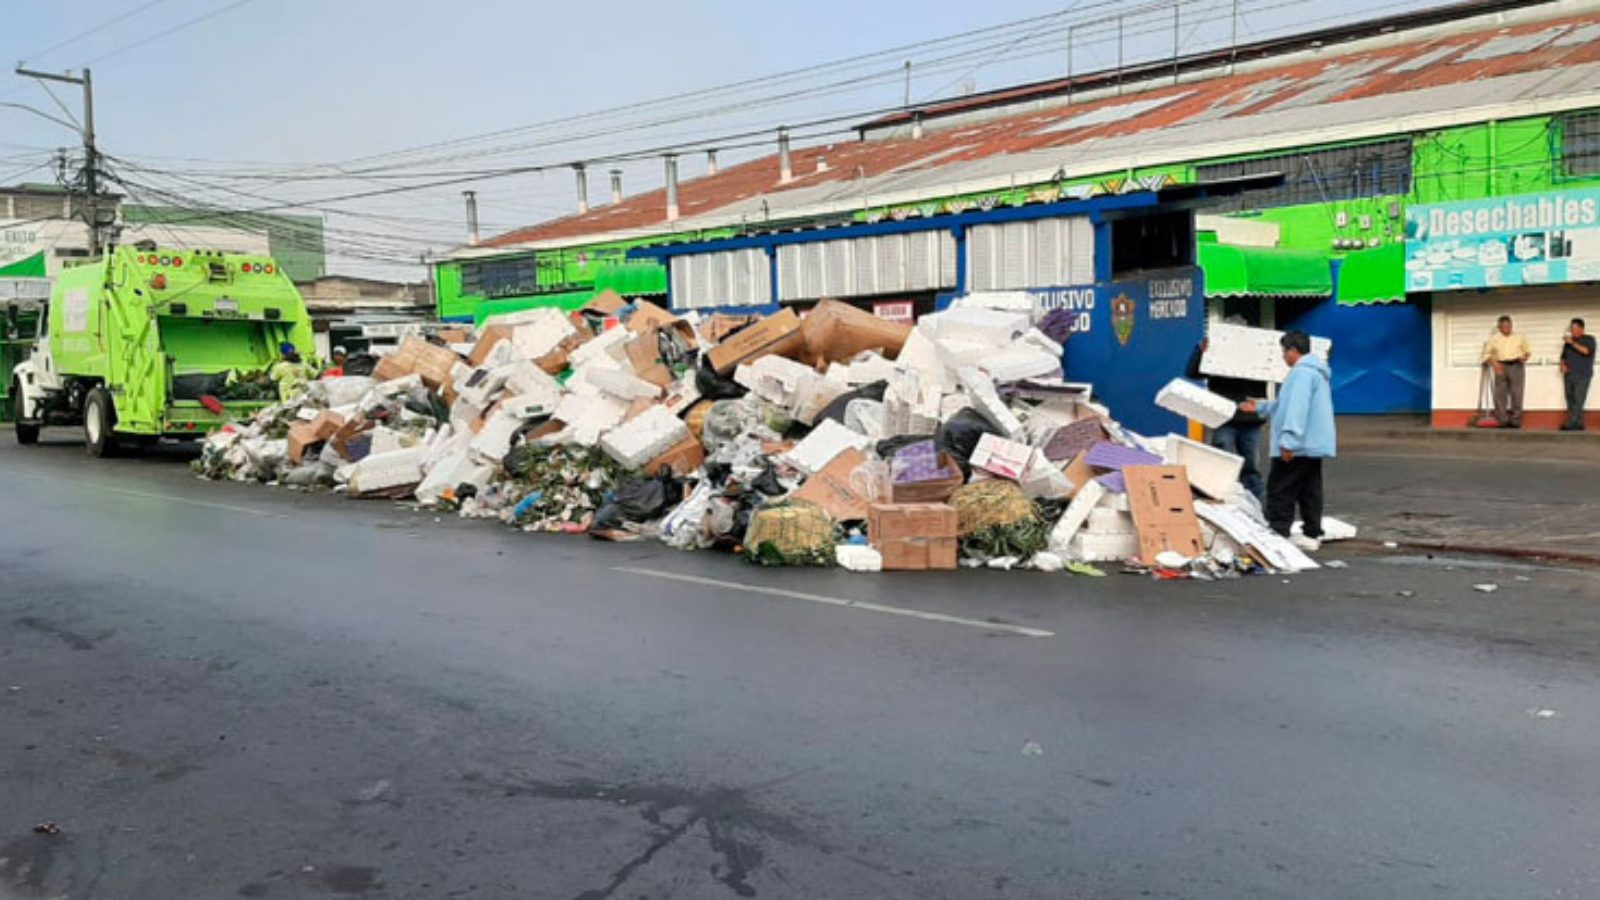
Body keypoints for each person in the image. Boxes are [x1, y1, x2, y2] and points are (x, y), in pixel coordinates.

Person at [1239, 330, 1336, 552]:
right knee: (1309, 489)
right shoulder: (1316, 373)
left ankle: (1279, 532)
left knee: (1280, 488)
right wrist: (1261, 406)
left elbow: (1295, 409)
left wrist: (1288, 441)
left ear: (1293, 351)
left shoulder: (1301, 374)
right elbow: (1287, 405)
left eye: (1284, 351)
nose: (1283, 357)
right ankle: (1312, 533)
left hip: (1298, 445)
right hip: (1313, 444)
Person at [1186, 324, 1268, 501]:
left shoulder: (1258, 356)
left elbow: (1272, 371)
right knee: (1222, 464)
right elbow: (1192, 372)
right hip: (1224, 417)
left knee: (1249, 467)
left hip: (1249, 418)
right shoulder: (1216, 355)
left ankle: (1258, 509)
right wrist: (1201, 351)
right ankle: (1224, 503)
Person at [1481, 315, 1532, 428]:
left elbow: (1528, 351)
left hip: (1516, 365)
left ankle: (1516, 420)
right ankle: (1502, 419)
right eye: (1504, 327)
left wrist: (1524, 357)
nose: (1507, 329)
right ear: (1499, 327)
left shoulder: (1520, 337)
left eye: (1508, 326)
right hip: (1501, 366)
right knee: (1500, 395)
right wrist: (1495, 364)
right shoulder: (1494, 339)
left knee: (1517, 393)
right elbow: (1486, 354)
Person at [1560, 318, 1594, 431]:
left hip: (1582, 375)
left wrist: (1572, 343)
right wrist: (1562, 365)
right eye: (1571, 328)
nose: (1571, 331)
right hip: (1569, 374)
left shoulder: (1589, 339)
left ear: (1581, 328)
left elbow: (1586, 351)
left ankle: (1571, 423)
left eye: (1573, 328)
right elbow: (1563, 356)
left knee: (1578, 399)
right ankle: (1578, 423)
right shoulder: (1568, 343)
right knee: (1570, 398)